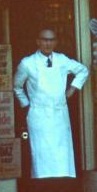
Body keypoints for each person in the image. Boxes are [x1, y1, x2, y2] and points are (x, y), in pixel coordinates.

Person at [13, 28, 89, 180]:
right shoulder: (27, 63)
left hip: (59, 114)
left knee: (61, 157)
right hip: (39, 115)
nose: (48, 43)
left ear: (56, 42)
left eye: (51, 40)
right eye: (44, 39)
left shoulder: (62, 60)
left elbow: (83, 70)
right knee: (41, 156)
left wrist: (71, 90)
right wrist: (26, 104)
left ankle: (62, 191)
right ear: (38, 41)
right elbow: (17, 86)